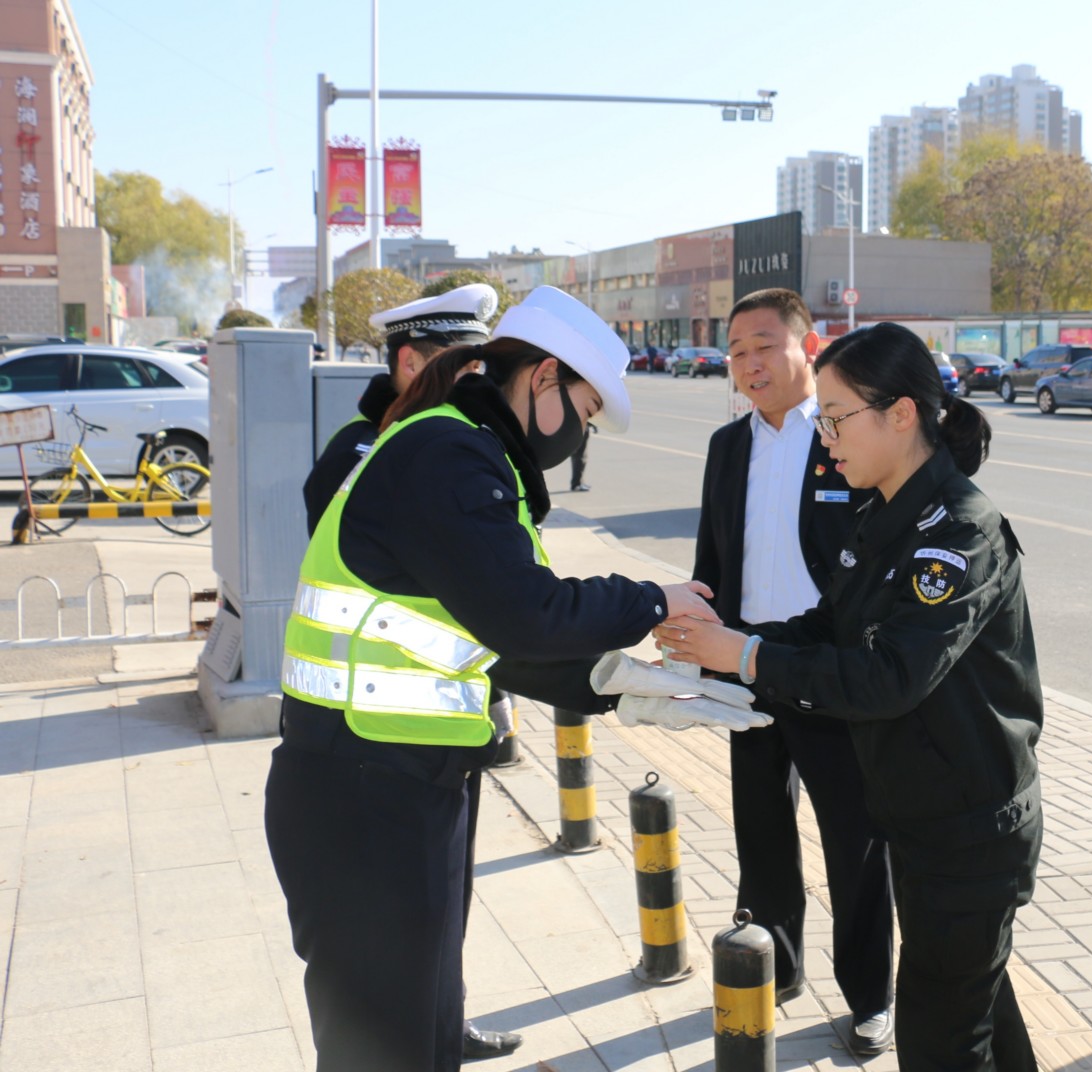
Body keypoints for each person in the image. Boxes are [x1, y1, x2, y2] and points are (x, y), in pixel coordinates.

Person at [266, 285, 721, 1072]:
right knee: (382, 1047)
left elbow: (493, 640)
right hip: (363, 794)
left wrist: (618, 686)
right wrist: (652, 600)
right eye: (584, 411)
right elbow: (524, 614)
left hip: (400, 781)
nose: (580, 433)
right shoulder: (448, 454)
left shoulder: (465, 452)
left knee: (421, 1028)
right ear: (543, 378)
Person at [661, 322, 1043, 1072]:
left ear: (900, 414)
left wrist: (745, 655)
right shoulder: (885, 517)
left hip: (968, 829)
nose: (825, 438)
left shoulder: (956, 534)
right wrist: (723, 642)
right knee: (977, 1006)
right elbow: (829, 624)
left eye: (836, 419)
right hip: (924, 814)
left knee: (940, 1033)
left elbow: (886, 678)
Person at [297, 283, 517, 1060]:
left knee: (446, 894)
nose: (478, 385)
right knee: (388, 932)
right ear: (411, 364)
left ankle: (444, 1026)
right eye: (462, 367)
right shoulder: (366, 452)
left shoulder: (459, 443)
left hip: (444, 719)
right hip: (372, 740)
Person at [692, 289, 895, 1055]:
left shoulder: (842, 434)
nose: (749, 362)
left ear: (807, 348)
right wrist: (701, 638)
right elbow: (712, 555)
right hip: (744, 665)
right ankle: (772, 966)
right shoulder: (727, 446)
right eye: (736, 350)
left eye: (764, 345)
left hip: (825, 670)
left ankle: (871, 996)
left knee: (853, 838)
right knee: (761, 829)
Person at [302, 284, 499, 535]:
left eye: (477, 367)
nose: (476, 379)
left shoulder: (466, 435)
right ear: (410, 363)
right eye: (459, 364)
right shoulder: (355, 454)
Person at [569, 420, 593, 491]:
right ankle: (577, 484)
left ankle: (578, 482)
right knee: (580, 456)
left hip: (576, 426)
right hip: (580, 426)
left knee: (578, 455)